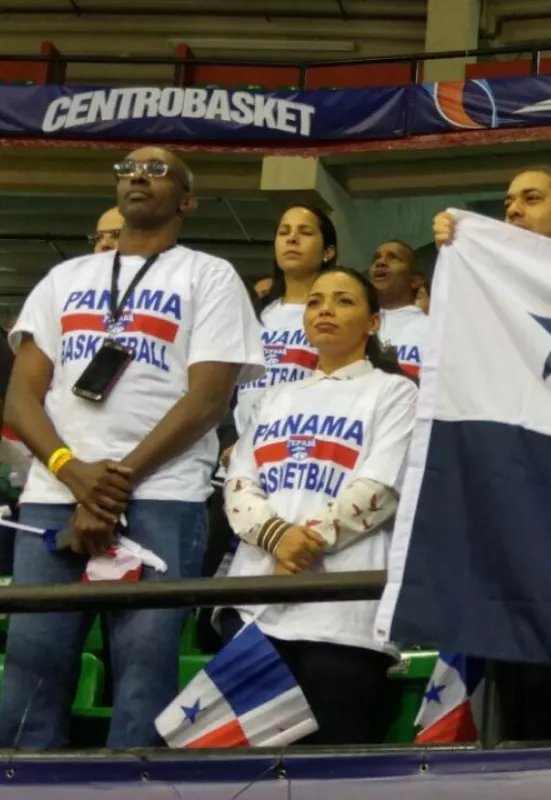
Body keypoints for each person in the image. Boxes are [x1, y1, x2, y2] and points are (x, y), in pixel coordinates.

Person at [0, 146, 264, 748]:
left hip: (161, 496)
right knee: (30, 678)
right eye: (126, 170)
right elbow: (21, 399)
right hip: (53, 496)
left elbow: (207, 401)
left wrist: (111, 484)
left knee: (144, 685)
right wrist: (74, 474)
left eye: (155, 170)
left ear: (187, 200)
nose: (137, 176)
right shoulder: (64, 278)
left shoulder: (210, 275)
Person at [433, 167, 551, 743]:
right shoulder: (490, 283)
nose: (512, 209)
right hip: (514, 520)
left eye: (531, 198)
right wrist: (458, 247)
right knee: (520, 711)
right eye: (507, 199)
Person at [219, 266, 417, 745]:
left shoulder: (395, 392)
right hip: (254, 605)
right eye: (315, 301)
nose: (325, 309)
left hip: (342, 615)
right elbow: (239, 481)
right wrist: (277, 538)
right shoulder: (273, 397)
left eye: (344, 301)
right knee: (245, 773)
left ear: (373, 322)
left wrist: (302, 544)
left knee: (331, 767)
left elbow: (379, 489)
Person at [232, 207, 336, 439]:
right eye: (284, 232)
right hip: (240, 452)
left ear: (328, 252)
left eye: (305, 232)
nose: (292, 238)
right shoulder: (253, 314)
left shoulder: (336, 316)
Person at [369, 239, 427, 378]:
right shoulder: (356, 324)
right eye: (376, 258)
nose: (381, 262)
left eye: (393, 257)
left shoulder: (435, 328)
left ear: (415, 281)